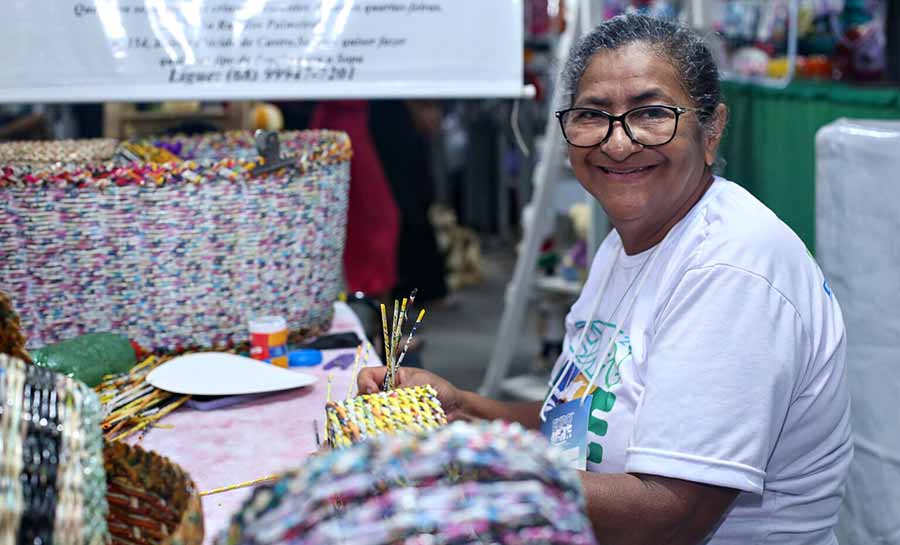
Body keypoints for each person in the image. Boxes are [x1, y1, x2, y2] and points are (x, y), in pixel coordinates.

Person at [359, 13, 851, 545]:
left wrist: (471, 460)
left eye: (652, 113)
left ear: (711, 132)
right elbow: (585, 419)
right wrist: (464, 411)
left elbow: (669, 516)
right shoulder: (627, 242)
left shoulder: (732, 270)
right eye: (593, 115)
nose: (618, 144)